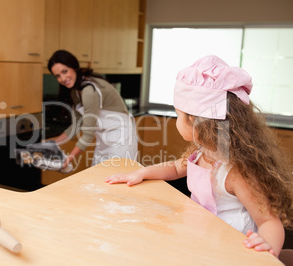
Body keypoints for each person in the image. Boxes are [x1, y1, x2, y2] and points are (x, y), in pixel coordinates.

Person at [105, 55, 293, 257]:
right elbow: (176, 168)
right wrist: (142, 172)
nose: (176, 120)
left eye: (178, 114)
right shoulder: (204, 153)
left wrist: (266, 245)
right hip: (203, 238)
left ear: (195, 120)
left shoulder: (235, 172)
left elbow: (268, 220)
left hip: (231, 249)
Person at [47, 50, 138, 169]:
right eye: (58, 76)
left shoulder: (89, 90)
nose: (63, 78)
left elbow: (88, 134)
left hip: (121, 140)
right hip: (104, 139)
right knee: (98, 178)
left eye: (65, 71)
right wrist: (53, 144)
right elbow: (78, 124)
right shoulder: (76, 91)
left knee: (116, 178)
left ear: (74, 67)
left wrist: (67, 160)